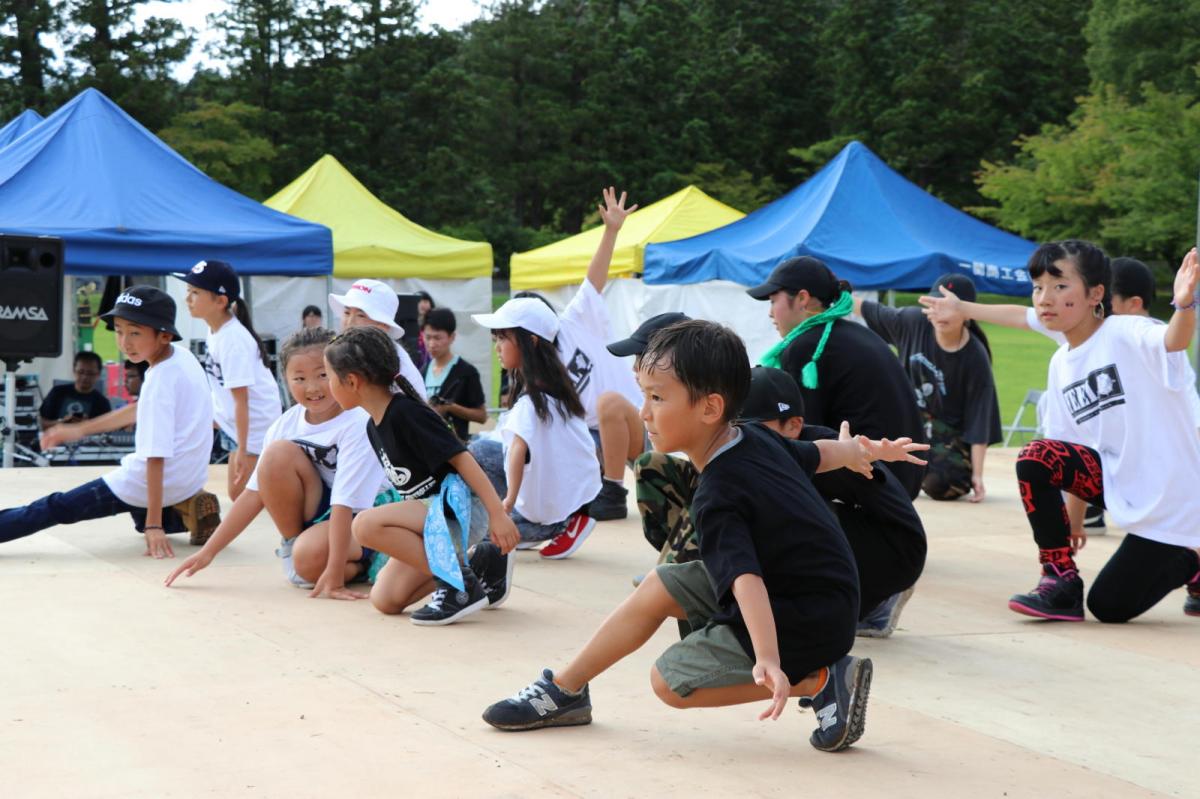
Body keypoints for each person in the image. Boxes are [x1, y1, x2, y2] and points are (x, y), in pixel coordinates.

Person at [481, 320, 927, 749]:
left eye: (657, 397)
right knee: (659, 585)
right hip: (816, 591)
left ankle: (822, 680)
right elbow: (816, 454)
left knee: (670, 683)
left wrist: (769, 659)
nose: (644, 412)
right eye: (644, 395)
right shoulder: (752, 437)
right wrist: (857, 451)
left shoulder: (718, 494)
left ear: (710, 407)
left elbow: (744, 578)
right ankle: (566, 690)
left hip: (804, 616)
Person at [637, 363, 927, 638]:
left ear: (793, 426)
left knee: (759, 514)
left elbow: (852, 456)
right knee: (662, 471)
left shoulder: (809, 450)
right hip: (844, 535)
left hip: (892, 551)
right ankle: (683, 571)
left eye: (754, 426)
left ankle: (878, 599)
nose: (739, 433)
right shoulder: (737, 448)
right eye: (734, 423)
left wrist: (867, 452)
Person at [919, 257, 1200, 527]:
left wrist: (1184, 304)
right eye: (1040, 288)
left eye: (1104, 298)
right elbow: (1021, 316)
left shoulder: (1138, 336)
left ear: (1131, 304)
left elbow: (1177, 351)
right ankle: (1075, 531)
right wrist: (963, 308)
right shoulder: (1078, 329)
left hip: (1164, 483)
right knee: (1044, 446)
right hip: (1116, 472)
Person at [1002, 241, 1200, 622]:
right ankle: (1059, 579)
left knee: (1109, 607)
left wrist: (1185, 304)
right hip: (1119, 483)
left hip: (1173, 498)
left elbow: (1175, 339)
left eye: (1060, 287)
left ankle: (1192, 561)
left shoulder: (1128, 332)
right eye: (1038, 287)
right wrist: (1072, 523)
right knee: (1036, 456)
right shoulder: (1061, 363)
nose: (1045, 299)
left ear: (1096, 294)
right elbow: (1067, 451)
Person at [164, 326, 396, 597]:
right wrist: (208, 553)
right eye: (299, 378)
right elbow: (253, 495)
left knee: (308, 564)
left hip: (363, 513)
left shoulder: (357, 421)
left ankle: (365, 561)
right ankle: (296, 548)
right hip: (322, 508)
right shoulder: (286, 424)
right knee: (276, 455)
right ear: (284, 379)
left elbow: (346, 502)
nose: (312, 387)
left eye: (323, 375)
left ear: (341, 374)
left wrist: (335, 578)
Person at [321, 326, 520, 625]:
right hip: (432, 521)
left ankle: (460, 586)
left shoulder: (405, 413)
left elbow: (463, 459)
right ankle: (481, 566)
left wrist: (497, 514)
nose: (327, 386)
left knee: (364, 525)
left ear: (351, 381)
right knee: (385, 599)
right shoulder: (372, 426)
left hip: (461, 509)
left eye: (328, 377)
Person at [1, 287, 220, 552]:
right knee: (138, 516)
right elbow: (139, 409)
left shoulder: (159, 382)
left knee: (55, 507)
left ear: (164, 335)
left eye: (135, 332)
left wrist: (154, 526)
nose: (124, 342)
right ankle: (182, 508)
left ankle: (167, 515)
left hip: (148, 482)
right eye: (118, 331)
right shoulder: (181, 356)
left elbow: (155, 454)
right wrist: (78, 430)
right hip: (189, 479)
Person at [747, 256, 927, 499]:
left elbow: (801, 435)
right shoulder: (856, 333)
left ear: (802, 298)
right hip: (901, 475)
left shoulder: (807, 347)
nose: (770, 313)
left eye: (773, 301)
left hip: (870, 479)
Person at [513, 187, 644, 521]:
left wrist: (611, 230)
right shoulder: (533, 371)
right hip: (593, 445)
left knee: (608, 403)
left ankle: (613, 491)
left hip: (635, 429)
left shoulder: (572, 322)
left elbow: (594, 279)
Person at [469, 298, 601, 559]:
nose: (497, 348)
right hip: (570, 500)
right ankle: (534, 521)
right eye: (496, 339)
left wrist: (505, 505)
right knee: (480, 451)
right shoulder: (555, 389)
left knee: (471, 530)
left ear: (531, 342)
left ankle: (538, 525)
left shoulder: (532, 402)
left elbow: (518, 449)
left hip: (554, 514)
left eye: (503, 339)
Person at [855, 274, 1002, 502]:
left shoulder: (975, 357)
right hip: (908, 420)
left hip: (949, 435)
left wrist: (978, 476)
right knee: (868, 459)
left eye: (947, 307)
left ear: (967, 312)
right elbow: (868, 309)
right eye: (934, 305)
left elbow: (979, 420)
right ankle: (910, 469)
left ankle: (921, 472)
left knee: (941, 485)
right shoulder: (912, 322)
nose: (939, 313)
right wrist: (834, 293)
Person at [177, 259, 283, 502]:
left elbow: (242, 402)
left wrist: (244, 451)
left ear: (221, 301)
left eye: (195, 293)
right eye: (188, 292)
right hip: (233, 425)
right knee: (240, 495)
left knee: (242, 496)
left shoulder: (233, 340)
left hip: (254, 430)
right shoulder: (215, 330)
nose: (188, 299)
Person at [329, 279, 427, 401]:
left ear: (383, 325)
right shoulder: (354, 353)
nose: (349, 322)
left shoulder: (388, 362)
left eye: (361, 315)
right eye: (347, 312)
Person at [422, 308, 487, 442]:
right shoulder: (423, 371)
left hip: (456, 443)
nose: (432, 344)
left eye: (438, 338)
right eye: (428, 337)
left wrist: (451, 407)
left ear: (452, 337)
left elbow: (482, 416)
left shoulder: (466, 372)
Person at [38, 351, 111, 430]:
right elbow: (40, 423)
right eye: (81, 372)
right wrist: (61, 423)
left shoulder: (102, 403)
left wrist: (87, 426)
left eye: (90, 373)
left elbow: (107, 431)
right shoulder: (57, 392)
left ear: (98, 374)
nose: (85, 377)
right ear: (74, 370)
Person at [414, 290, 435, 370]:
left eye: (425, 301)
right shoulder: (407, 323)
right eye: (419, 301)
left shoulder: (434, 324)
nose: (422, 304)